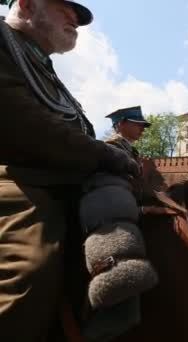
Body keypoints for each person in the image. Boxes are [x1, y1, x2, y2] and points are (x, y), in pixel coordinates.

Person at [0, 2, 139, 341]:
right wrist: (104, 154)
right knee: (32, 266)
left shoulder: (41, 65)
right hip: (19, 179)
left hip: (67, 179)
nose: (75, 19)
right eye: (65, 8)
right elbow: (24, 126)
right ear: (28, 4)